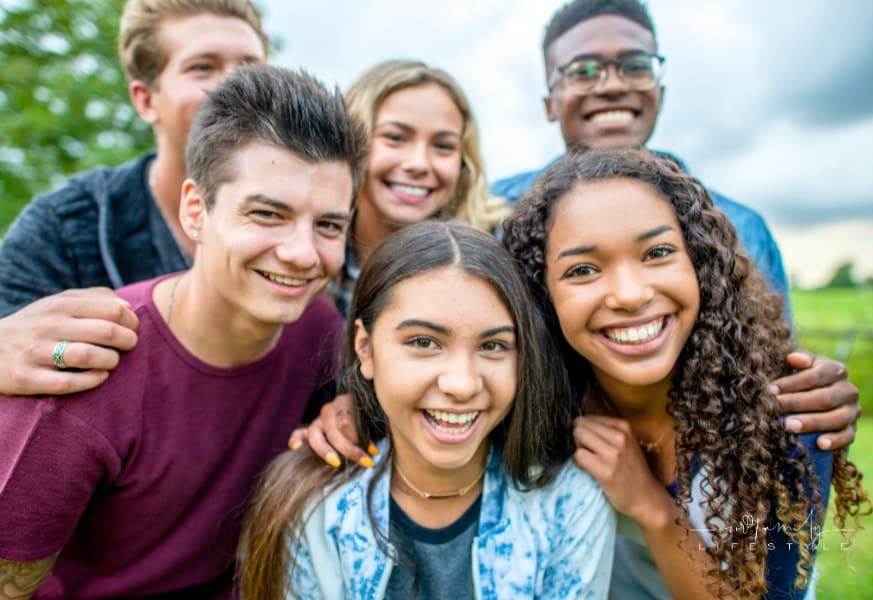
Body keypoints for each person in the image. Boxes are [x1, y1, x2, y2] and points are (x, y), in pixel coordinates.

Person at [0, 65, 366, 598]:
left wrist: (346, 413)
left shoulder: (317, 329)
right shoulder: (86, 368)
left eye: (328, 225)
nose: (303, 254)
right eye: (267, 214)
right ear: (196, 210)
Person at [487, 0, 859, 450]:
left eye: (634, 65)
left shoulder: (739, 226)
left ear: (660, 86)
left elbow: (763, 370)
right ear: (550, 101)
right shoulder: (497, 213)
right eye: (582, 71)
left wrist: (811, 396)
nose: (611, 84)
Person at [502, 148, 870, 598]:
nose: (630, 295)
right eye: (583, 269)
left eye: (657, 252)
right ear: (542, 294)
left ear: (699, 264)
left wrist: (651, 506)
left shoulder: (785, 421)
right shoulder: (544, 406)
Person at [238, 220, 614, 599]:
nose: (462, 384)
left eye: (493, 346)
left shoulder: (569, 505)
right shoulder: (314, 507)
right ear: (365, 348)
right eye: (424, 342)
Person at [0, 0, 269, 396]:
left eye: (250, 67)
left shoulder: (317, 225)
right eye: (203, 67)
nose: (235, 87)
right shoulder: (66, 229)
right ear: (145, 99)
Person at [331, 59, 509, 317]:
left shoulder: (503, 255)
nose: (419, 164)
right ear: (351, 142)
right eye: (395, 138)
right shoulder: (310, 252)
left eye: (443, 146)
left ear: (464, 162)